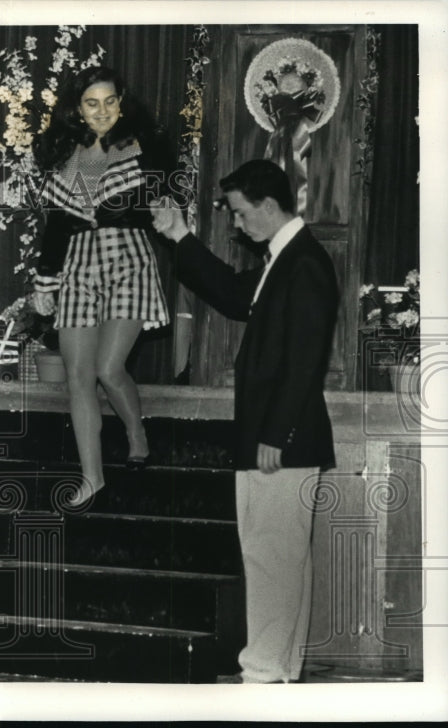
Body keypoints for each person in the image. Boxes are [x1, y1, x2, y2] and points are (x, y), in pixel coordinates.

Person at [151, 158, 339, 683]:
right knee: (278, 557)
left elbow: (305, 360)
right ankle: (277, 669)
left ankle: (261, 670)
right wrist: (180, 237)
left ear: (268, 206)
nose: (235, 225)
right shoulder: (285, 259)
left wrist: (277, 435)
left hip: (283, 439)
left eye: (238, 214)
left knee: (270, 557)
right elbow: (233, 294)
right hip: (278, 436)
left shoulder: (303, 263)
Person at [32, 66, 171, 506]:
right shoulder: (62, 154)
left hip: (128, 258)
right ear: (77, 108)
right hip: (77, 263)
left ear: (122, 102)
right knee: (78, 376)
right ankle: (92, 477)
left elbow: (159, 201)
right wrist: (45, 282)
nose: (102, 111)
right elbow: (55, 226)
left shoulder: (144, 145)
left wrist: (112, 210)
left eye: (110, 101)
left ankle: (136, 431)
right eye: (92, 103)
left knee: (108, 369)